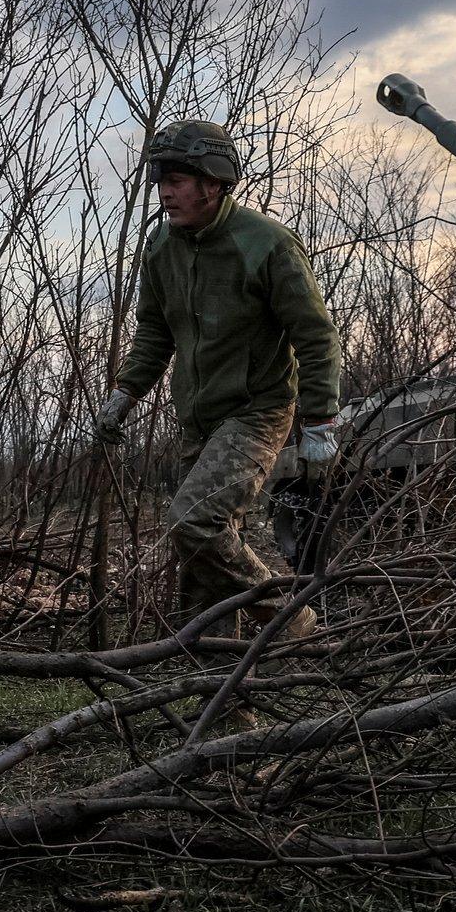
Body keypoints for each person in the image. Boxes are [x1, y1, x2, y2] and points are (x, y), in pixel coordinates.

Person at [95, 120, 342, 639]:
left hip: (257, 411)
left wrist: (319, 420)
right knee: (201, 567)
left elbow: (316, 337)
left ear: (214, 181)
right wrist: (124, 393)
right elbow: (154, 332)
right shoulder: (162, 246)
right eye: (160, 178)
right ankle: (222, 699)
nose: (164, 191)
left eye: (177, 179)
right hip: (197, 418)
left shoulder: (267, 246)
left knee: (194, 521)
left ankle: (293, 620)